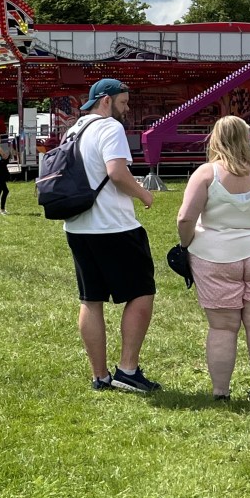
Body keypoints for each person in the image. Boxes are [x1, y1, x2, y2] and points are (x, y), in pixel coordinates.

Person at [63, 78, 159, 392]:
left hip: (78, 226)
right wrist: (143, 194)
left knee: (90, 299)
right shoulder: (110, 127)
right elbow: (116, 172)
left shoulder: (73, 130)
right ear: (106, 100)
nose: (127, 109)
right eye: (124, 102)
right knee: (141, 292)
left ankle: (100, 376)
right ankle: (128, 370)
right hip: (114, 226)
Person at [177, 116, 250, 402]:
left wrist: (186, 245)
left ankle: (221, 393)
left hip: (215, 256)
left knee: (222, 327)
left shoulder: (206, 173)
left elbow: (185, 218)